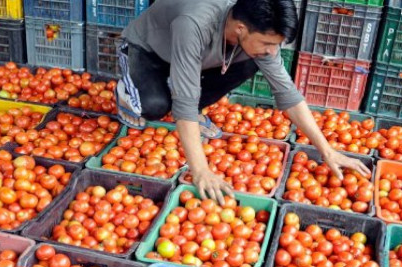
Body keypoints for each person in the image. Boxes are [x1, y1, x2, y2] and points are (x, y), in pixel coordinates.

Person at [116, 0, 371, 204]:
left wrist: (327, 151)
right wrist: (201, 171)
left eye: (276, 45)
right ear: (240, 29)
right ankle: (127, 92)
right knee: (154, 107)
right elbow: (183, 102)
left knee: (250, 62)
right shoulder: (194, 22)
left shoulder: (257, 33)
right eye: (268, 43)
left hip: (194, 58)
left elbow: (288, 93)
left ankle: (186, 103)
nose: (272, 50)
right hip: (149, 50)